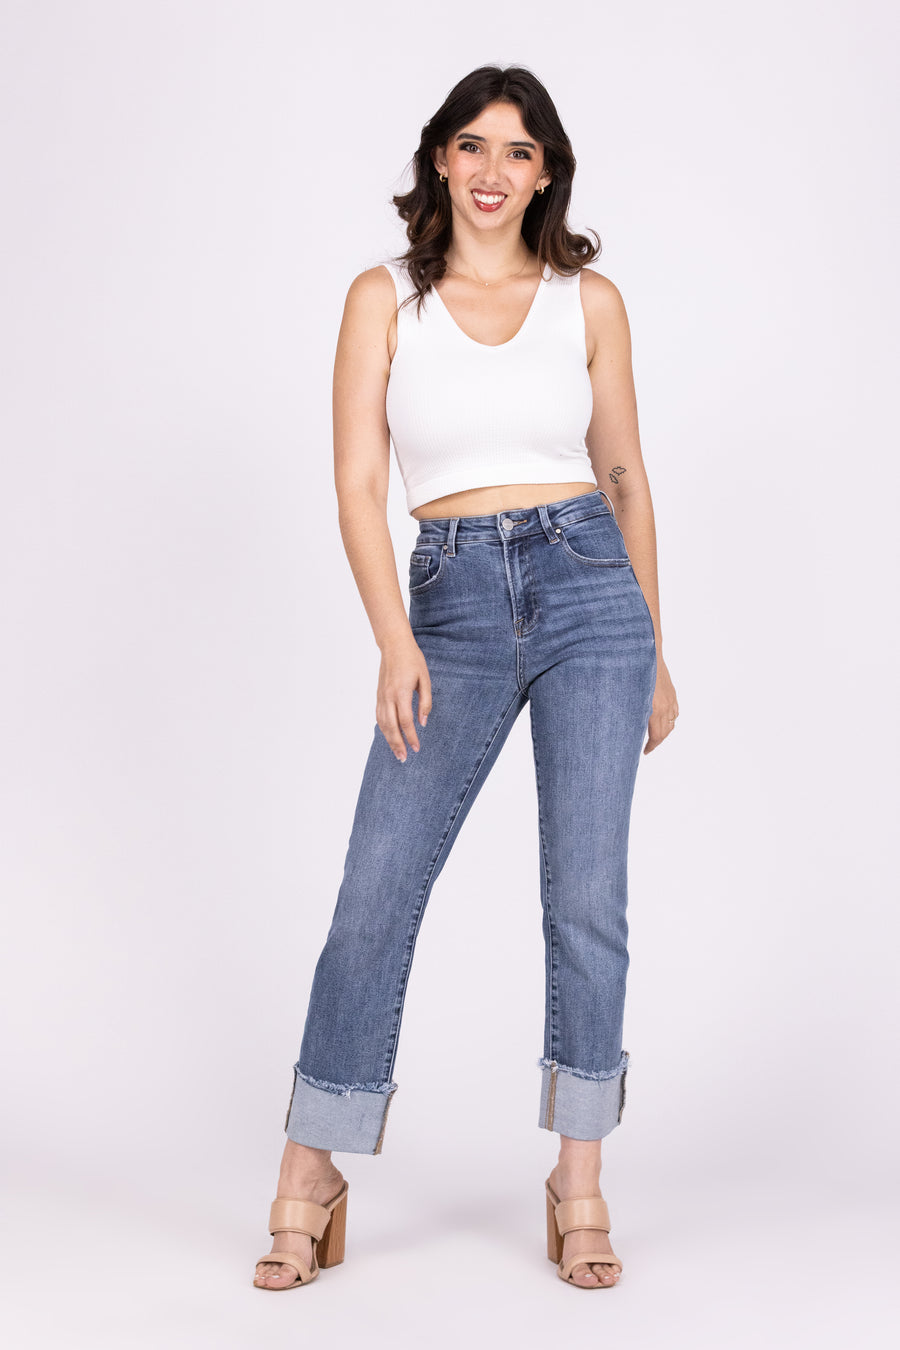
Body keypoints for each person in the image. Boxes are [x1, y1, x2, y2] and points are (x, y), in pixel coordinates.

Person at [253, 63, 679, 1294]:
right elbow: (356, 485)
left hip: (591, 590)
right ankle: (310, 1170)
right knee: (375, 890)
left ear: (546, 175)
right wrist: (396, 639)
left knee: (587, 897)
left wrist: (654, 643)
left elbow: (626, 476)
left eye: (520, 151)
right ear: (441, 158)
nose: (495, 171)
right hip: (447, 600)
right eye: (474, 146)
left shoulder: (589, 302)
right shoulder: (384, 299)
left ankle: (579, 1181)